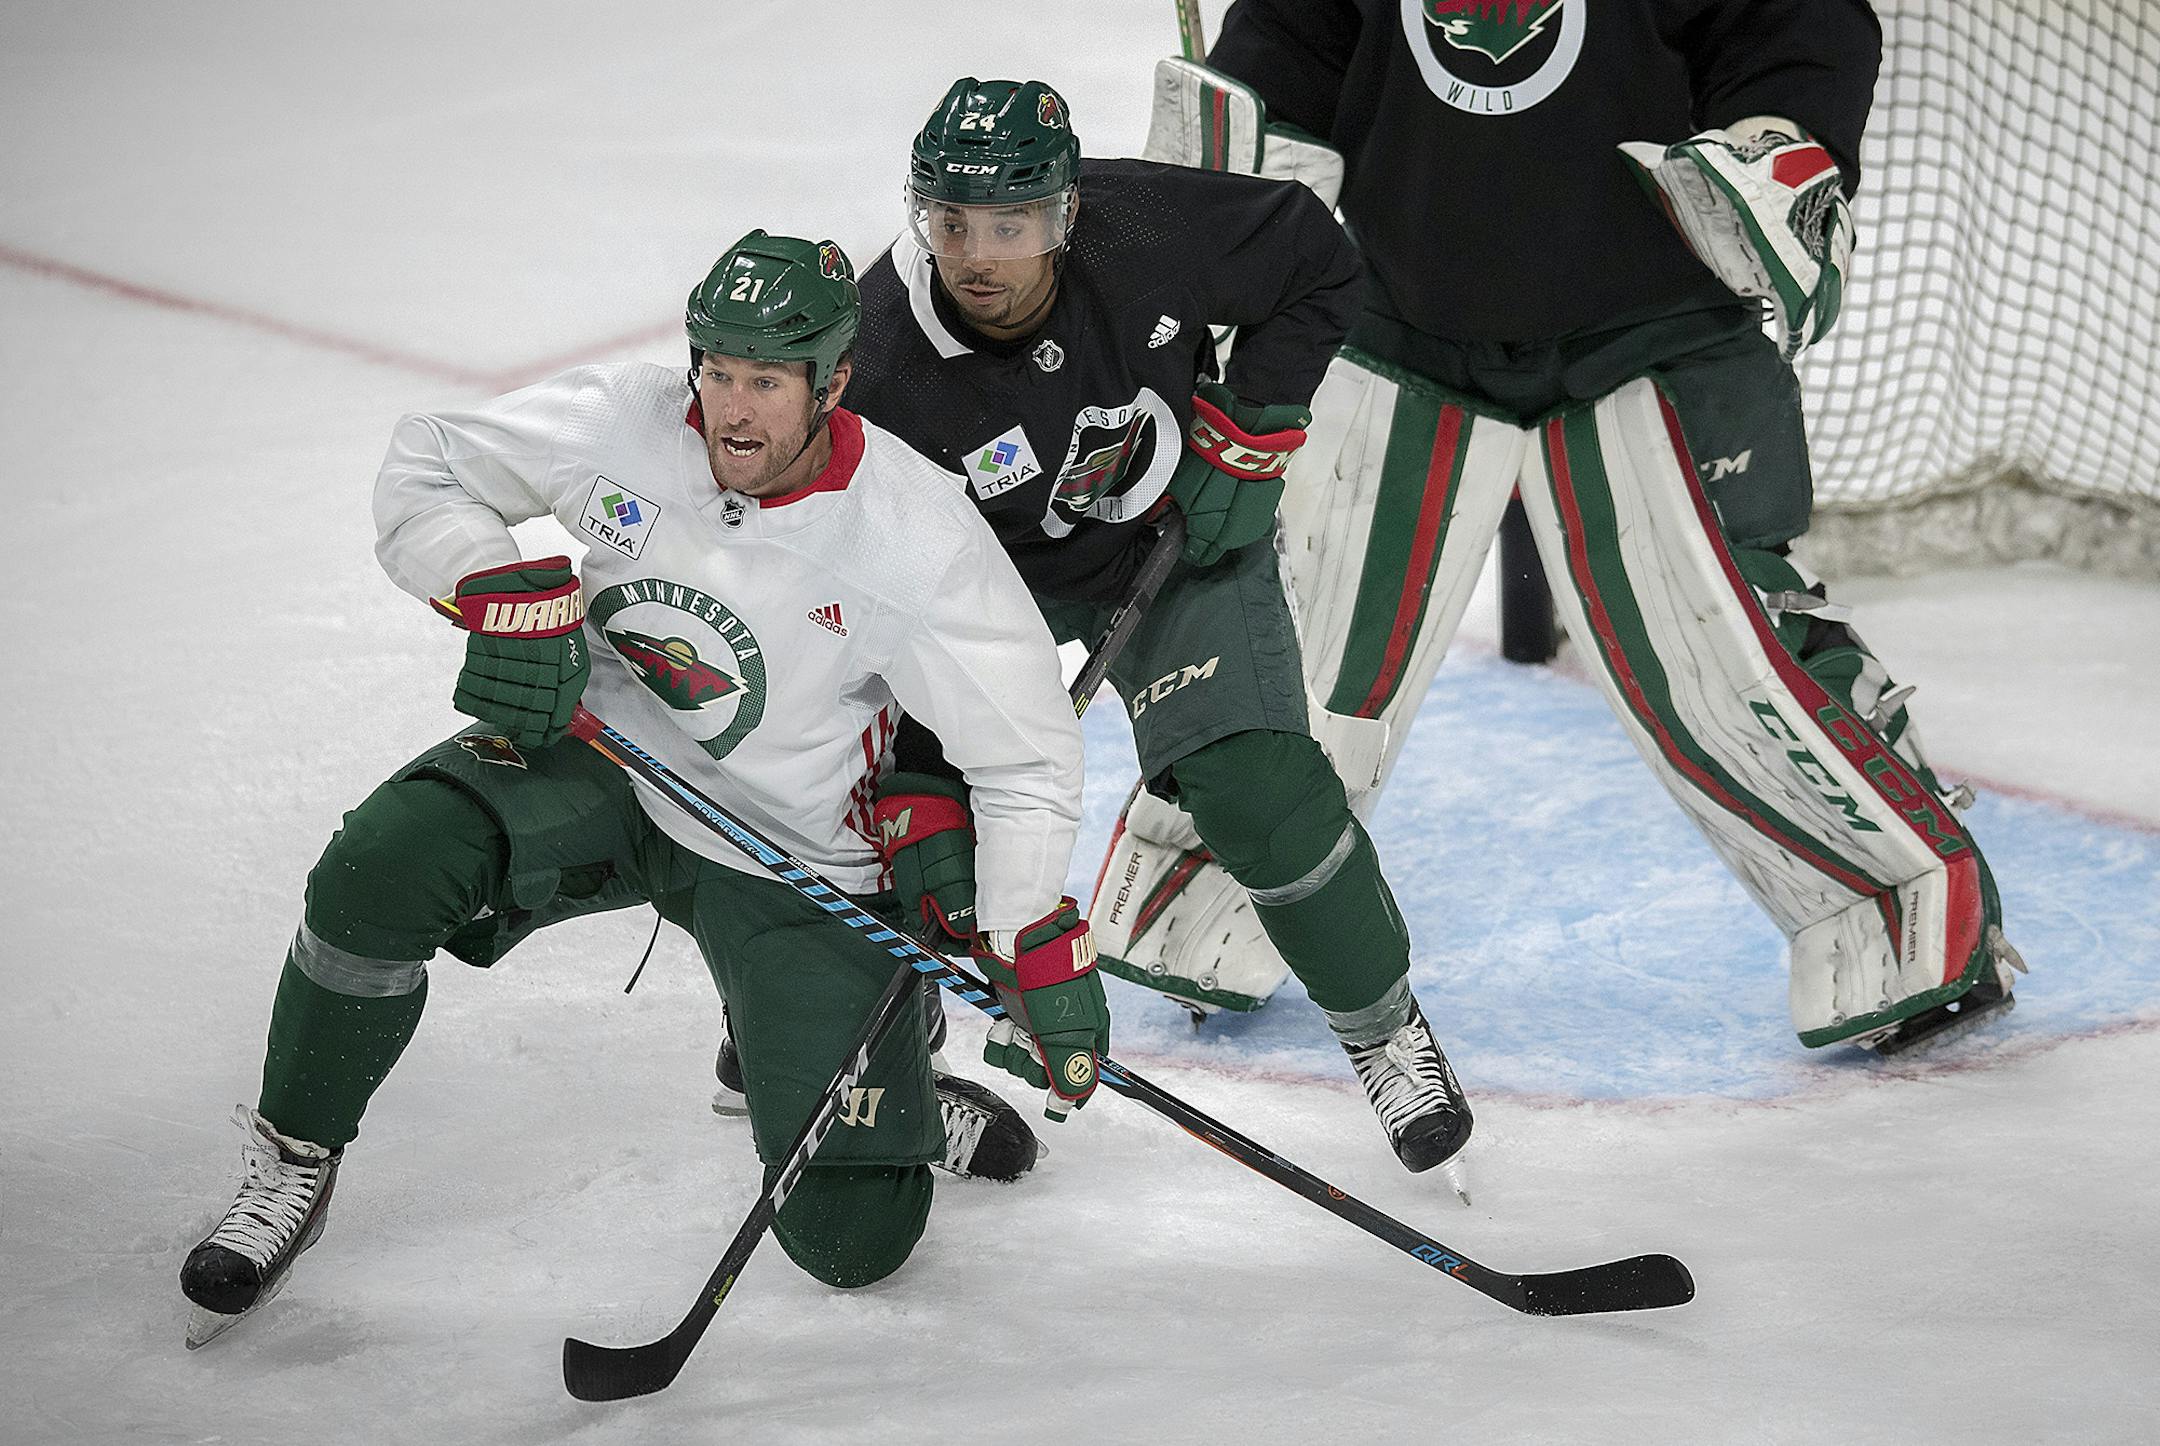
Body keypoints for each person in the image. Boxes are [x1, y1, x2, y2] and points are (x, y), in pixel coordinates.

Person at [178, 230, 1109, 1347]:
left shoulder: (912, 536)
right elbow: (427, 461)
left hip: (796, 858)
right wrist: (489, 580)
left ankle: (873, 1058)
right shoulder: (621, 421)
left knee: (855, 1244)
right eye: (716, 371)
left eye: (766, 381)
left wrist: (1023, 924)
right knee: (381, 864)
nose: (731, 409)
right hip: (607, 772)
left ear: (834, 383)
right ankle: (294, 1158)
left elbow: (1026, 754)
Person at [1123, 0, 2024, 1055]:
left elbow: (1796, 23)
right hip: (1397, 312)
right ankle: (1201, 910)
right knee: (1292, 628)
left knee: (1720, 649)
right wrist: (1242, 157)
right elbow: (1293, 39)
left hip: (1658, 324)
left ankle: (1906, 915)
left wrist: (1781, 135)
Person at [796, 76, 1477, 1180]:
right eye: (950, 221)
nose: (976, 252)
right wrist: (925, 767)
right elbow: (859, 593)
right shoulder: (878, 366)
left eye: (1010, 224)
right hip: (973, 606)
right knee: (906, 842)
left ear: (1066, 215)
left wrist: (1254, 426)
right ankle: (848, 1049)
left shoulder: (1144, 225)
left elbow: (1316, 258)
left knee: (1262, 794)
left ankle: (1384, 1027)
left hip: (1176, 552)